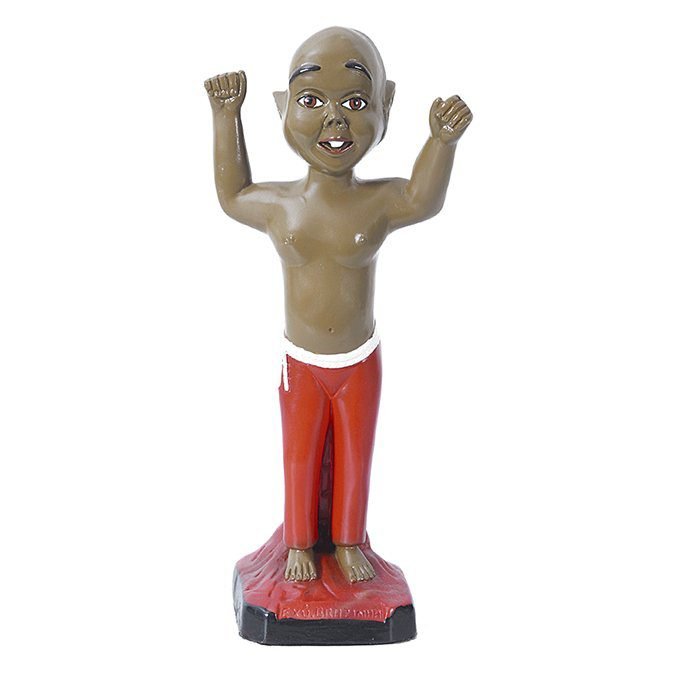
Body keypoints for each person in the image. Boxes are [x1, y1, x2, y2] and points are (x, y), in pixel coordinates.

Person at [204, 27, 472, 583]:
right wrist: (226, 116)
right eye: (311, 100)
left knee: (355, 455)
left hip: (358, 362)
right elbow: (232, 196)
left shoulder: (377, 202)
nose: (334, 119)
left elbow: (422, 199)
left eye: (354, 102)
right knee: (299, 455)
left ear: (385, 106)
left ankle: (349, 542)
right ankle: (299, 542)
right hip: (302, 364)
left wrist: (441, 142)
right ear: (282, 107)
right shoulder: (280, 205)